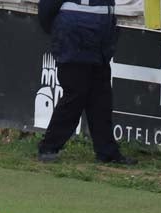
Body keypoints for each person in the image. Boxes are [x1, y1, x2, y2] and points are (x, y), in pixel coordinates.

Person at [35, 0, 133, 165]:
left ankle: (106, 152)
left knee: (100, 98)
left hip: (95, 38)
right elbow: (47, 8)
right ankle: (49, 147)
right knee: (76, 95)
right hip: (74, 37)